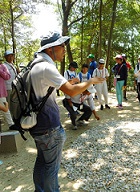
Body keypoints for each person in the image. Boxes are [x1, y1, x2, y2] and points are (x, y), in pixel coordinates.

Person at [29, 31, 104, 192]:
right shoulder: (46, 68)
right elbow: (70, 91)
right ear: (51, 49)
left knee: (42, 161)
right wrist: (90, 81)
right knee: (51, 168)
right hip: (49, 126)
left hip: (37, 124)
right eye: (62, 46)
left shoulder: (34, 65)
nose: (64, 49)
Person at [0, 58, 17, 130]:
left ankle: (11, 124)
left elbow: (7, 77)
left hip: (1, 91)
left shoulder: (3, 66)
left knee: (5, 107)